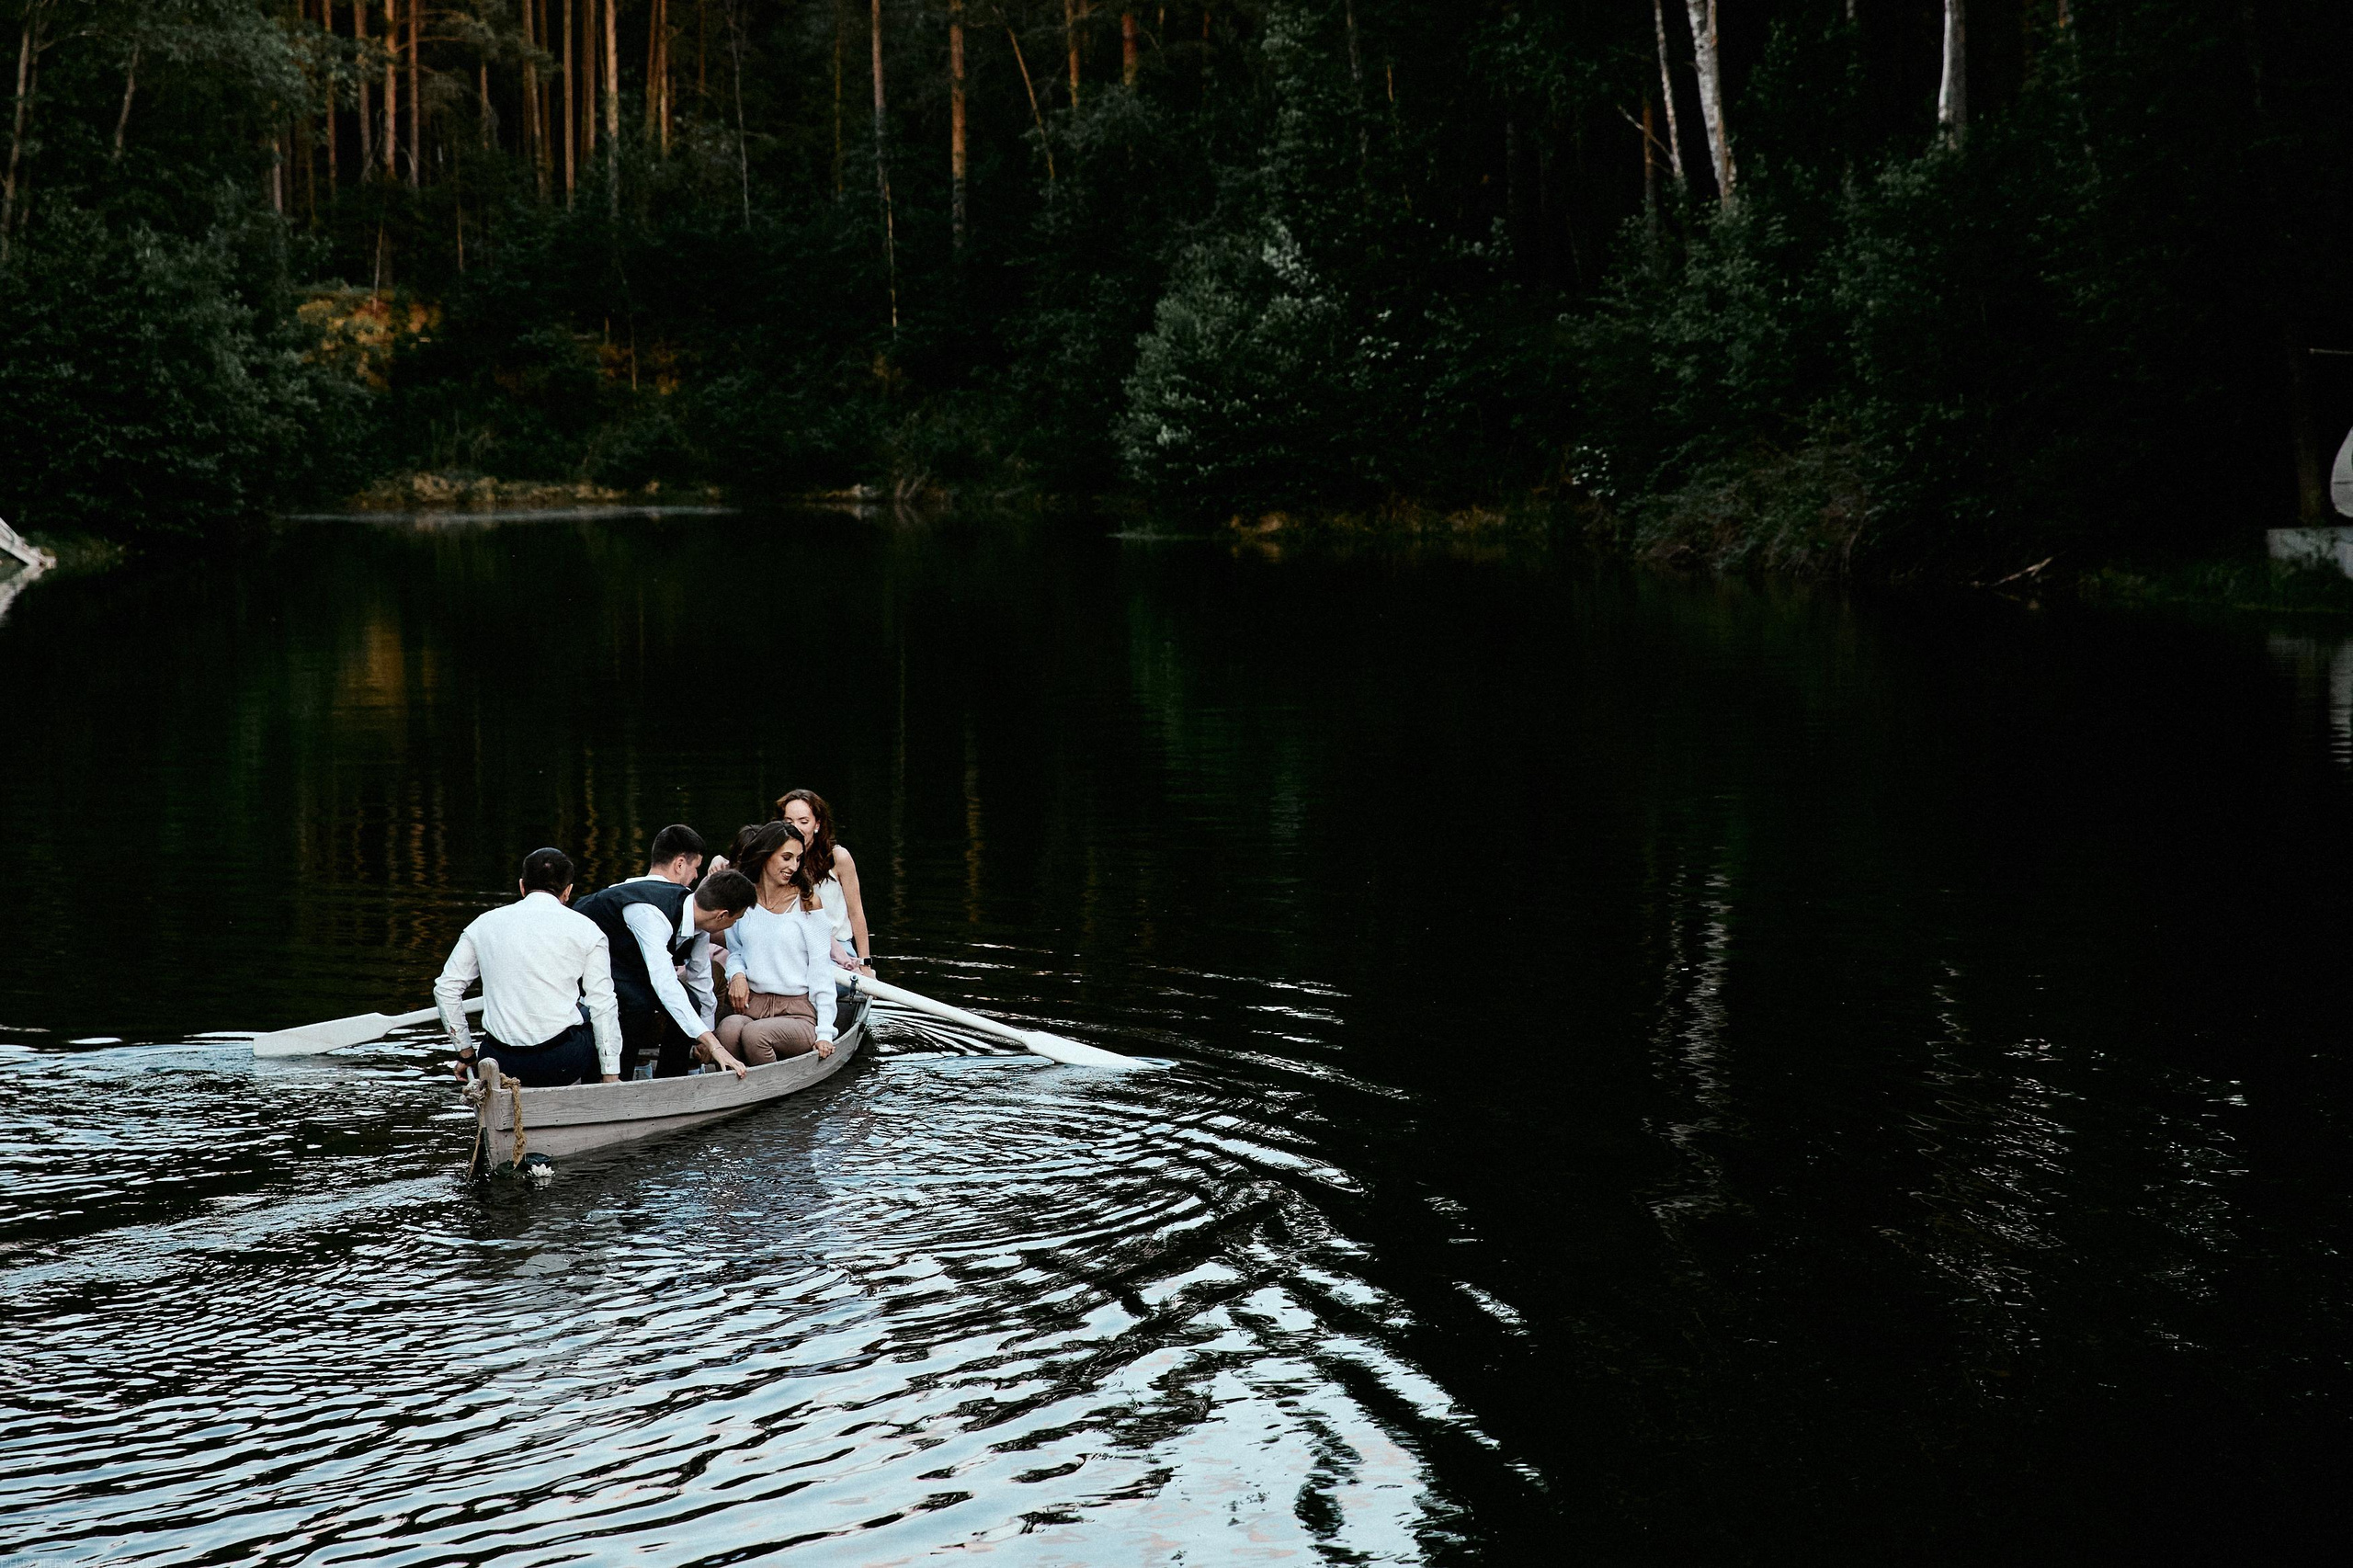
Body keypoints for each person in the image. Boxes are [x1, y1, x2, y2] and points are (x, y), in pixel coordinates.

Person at [573, 824, 756, 1079]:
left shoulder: (698, 920)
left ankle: (672, 1079)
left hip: (627, 965)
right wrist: (715, 1046)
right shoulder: (651, 913)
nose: (695, 876)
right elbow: (664, 981)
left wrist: (706, 1035)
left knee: (690, 1001)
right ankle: (614, 1079)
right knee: (637, 1003)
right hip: (586, 958)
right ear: (722, 915)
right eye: (735, 920)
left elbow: (701, 978)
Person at [433, 847, 622, 1087]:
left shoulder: (482, 924)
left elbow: (446, 989)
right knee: (590, 1013)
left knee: (584, 1014)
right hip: (560, 1062)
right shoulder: (588, 930)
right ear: (568, 891)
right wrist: (611, 1074)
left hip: (501, 1061)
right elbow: (603, 1004)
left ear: (522, 886)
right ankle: (593, 1098)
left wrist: (466, 1053)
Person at [716, 821, 838, 1065]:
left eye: (798, 859)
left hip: (797, 1014)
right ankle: (739, 1093)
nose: (793, 866)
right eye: (786, 857)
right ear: (765, 855)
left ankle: (768, 1095)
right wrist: (737, 975)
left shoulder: (807, 902)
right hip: (753, 1006)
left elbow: (821, 968)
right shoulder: (743, 898)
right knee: (728, 1029)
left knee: (756, 1035)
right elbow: (737, 951)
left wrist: (825, 1032)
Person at [774, 789, 873, 974]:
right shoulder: (776, 860)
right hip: (793, 948)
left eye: (804, 822)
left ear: (817, 824)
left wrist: (865, 963)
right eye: (789, 822)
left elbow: (856, 912)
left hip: (838, 950)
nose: (796, 828)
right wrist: (718, 861)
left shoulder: (838, 857)